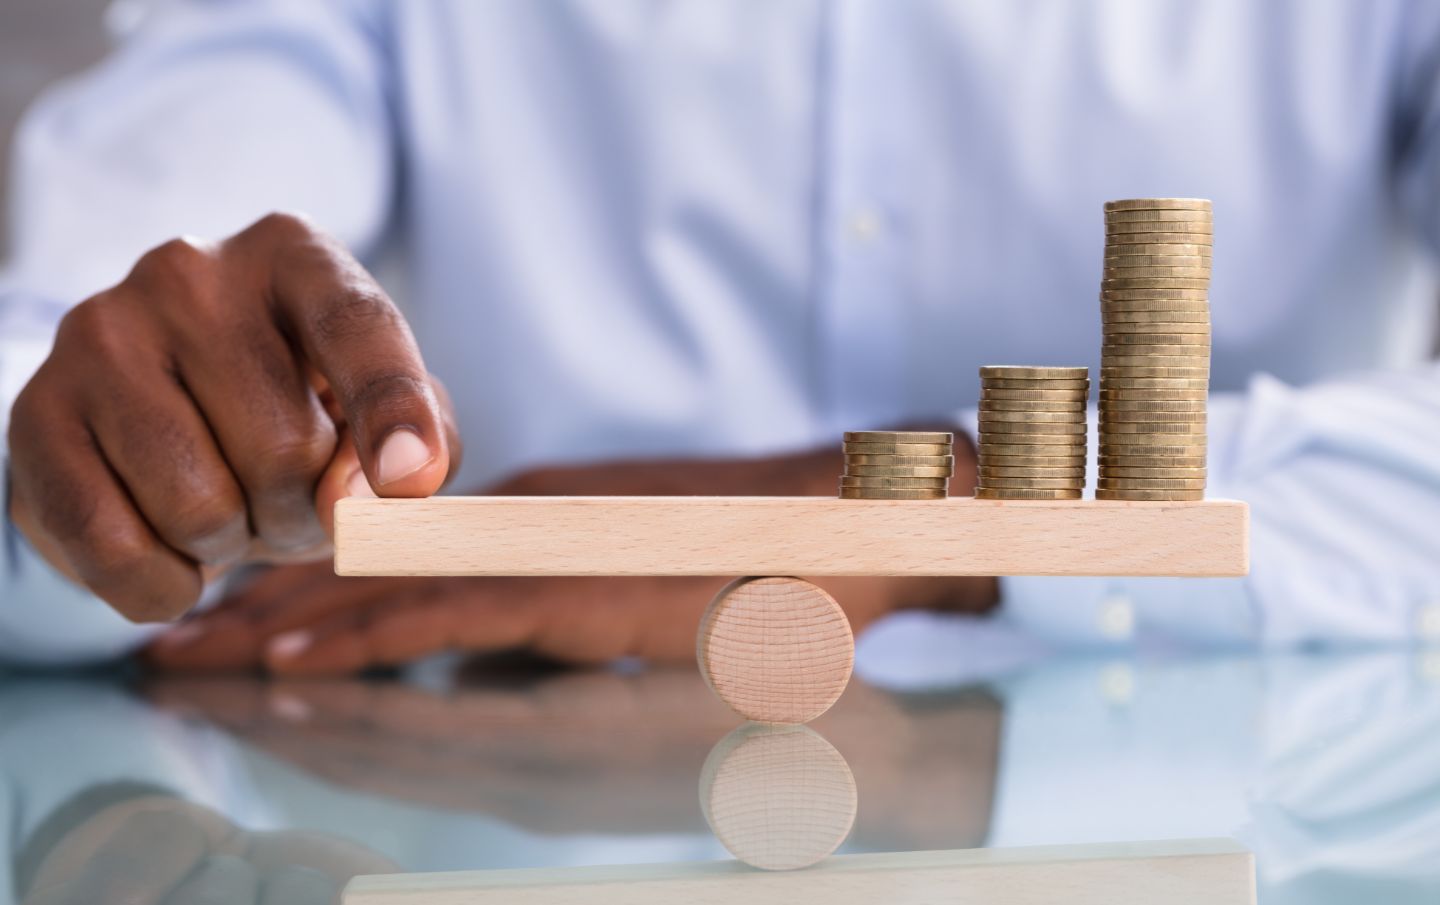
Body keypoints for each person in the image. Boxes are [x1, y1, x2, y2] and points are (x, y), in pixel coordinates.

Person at [3, 1, 1440, 672]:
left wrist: (933, 516)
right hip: (490, 766)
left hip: (1189, 786)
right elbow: (58, 344)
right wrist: (108, 445)